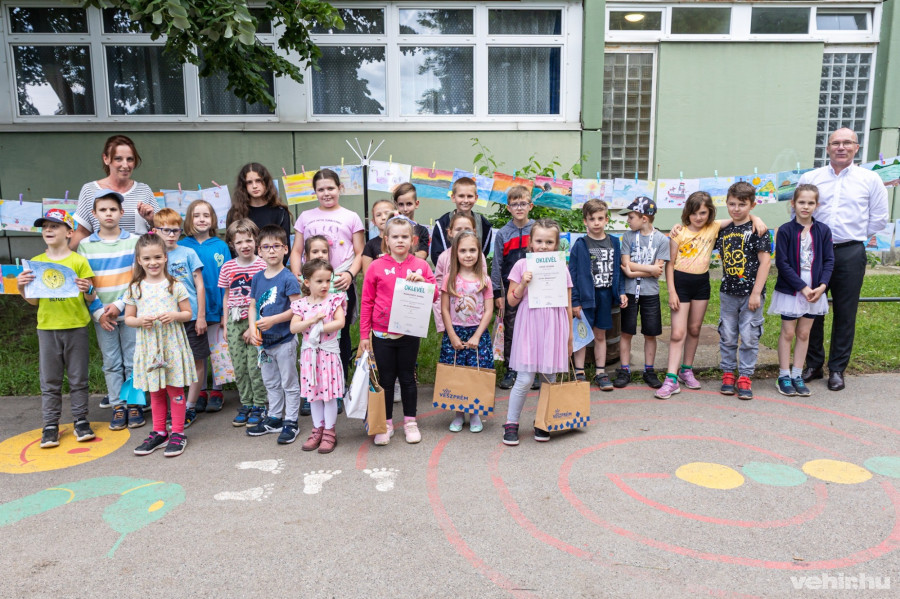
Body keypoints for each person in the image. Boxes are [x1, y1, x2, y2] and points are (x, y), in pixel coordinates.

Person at [798, 127, 889, 391]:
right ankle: (813, 364)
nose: (841, 147)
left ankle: (837, 369)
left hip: (850, 252)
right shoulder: (811, 177)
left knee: (845, 311)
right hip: (814, 251)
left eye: (847, 143)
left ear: (856, 148)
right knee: (812, 307)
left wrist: (853, 236)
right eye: (835, 143)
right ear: (827, 148)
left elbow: (879, 218)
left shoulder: (870, 179)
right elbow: (798, 211)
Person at [16, 209, 97, 449]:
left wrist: (87, 289)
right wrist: (21, 288)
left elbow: (91, 298)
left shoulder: (78, 261)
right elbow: (34, 301)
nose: (48, 230)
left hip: (76, 326)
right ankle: (50, 425)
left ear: (69, 232)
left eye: (54, 226)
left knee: (78, 378)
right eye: (45, 227)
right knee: (50, 380)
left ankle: (81, 420)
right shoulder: (36, 263)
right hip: (47, 328)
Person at [358, 216, 437, 446]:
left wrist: (423, 283)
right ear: (386, 240)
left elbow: (435, 294)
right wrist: (364, 335)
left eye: (404, 237)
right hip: (382, 333)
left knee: (408, 378)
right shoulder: (376, 266)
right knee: (386, 379)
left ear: (413, 240)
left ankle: (410, 422)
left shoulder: (421, 266)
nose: (400, 241)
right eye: (395, 237)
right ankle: (386, 423)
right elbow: (367, 301)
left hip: (409, 332)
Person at [123, 233, 197, 457]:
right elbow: (128, 318)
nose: (152, 262)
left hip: (171, 344)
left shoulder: (175, 285)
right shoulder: (135, 288)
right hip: (149, 346)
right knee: (155, 391)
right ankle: (159, 432)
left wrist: (175, 315)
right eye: (147, 258)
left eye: (157, 257)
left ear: (165, 257)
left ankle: (178, 433)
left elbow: (188, 313)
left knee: (175, 389)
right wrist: (139, 321)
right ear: (139, 260)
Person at [502, 219, 573, 446]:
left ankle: (542, 421)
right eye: (539, 241)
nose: (543, 246)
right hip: (529, 325)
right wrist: (523, 283)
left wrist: (569, 337)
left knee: (549, 377)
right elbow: (511, 301)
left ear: (556, 245)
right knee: (524, 378)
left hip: (554, 324)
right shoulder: (521, 265)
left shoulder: (561, 267)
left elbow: (568, 303)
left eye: (549, 242)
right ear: (530, 242)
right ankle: (511, 422)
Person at [290, 169, 365, 384]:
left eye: (331, 188)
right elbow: (296, 251)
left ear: (340, 188)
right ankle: (314, 381)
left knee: (340, 331)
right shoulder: (306, 217)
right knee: (311, 330)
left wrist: (350, 274)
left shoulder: (351, 217)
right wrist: (297, 276)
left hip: (340, 282)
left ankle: (340, 384)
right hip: (313, 285)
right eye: (321, 189)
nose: (326, 193)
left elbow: (360, 252)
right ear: (314, 192)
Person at [76, 189, 141, 429]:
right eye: (103, 210)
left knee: (133, 360)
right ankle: (118, 405)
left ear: (122, 212)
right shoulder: (85, 246)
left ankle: (134, 403)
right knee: (111, 361)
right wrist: (99, 313)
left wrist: (121, 304)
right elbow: (86, 283)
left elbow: (138, 278)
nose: (108, 214)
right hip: (102, 316)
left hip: (130, 312)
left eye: (113, 209)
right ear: (94, 214)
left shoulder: (134, 241)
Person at [769, 184, 834, 397]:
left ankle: (797, 374)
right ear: (793, 204)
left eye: (810, 203)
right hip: (792, 289)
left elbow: (829, 260)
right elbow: (782, 263)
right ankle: (784, 375)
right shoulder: (785, 230)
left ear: (817, 205)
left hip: (815, 289)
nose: (805, 206)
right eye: (801, 202)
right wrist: (802, 287)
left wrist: (822, 286)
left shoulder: (823, 230)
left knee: (804, 333)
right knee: (788, 332)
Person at [714, 182, 772, 400]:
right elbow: (701, 225)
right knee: (728, 335)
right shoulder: (723, 230)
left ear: (752, 205)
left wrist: (756, 293)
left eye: (742, 204)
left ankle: (745, 376)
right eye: (732, 204)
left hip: (751, 295)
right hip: (728, 293)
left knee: (749, 337)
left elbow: (765, 263)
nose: (736, 209)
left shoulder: (759, 230)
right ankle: (728, 373)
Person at [248, 225, 303, 444]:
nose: (271, 251)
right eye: (266, 247)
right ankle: (274, 417)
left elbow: (297, 309)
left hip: (284, 340)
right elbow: (252, 306)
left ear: (285, 249)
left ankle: (291, 421)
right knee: (270, 381)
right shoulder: (257, 278)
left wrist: (274, 320)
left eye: (276, 246)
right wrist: (253, 328)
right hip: (264, 343)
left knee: (289, 382)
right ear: (259, 251)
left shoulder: (288, 278)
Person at [153, 209, 207, 427]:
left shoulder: (188, 253)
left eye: (175, 230)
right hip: (165, 320)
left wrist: (201, 316)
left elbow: (200, 285)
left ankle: (190, 406)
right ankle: (173, 405)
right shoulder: (153, 255)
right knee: (168, 364)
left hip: (190, 317)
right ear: (156, 231)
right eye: (166, 230)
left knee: (196, 361)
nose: (171, 235)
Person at [439, 230, 494, 433]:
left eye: (472, 250)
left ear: (479, 252)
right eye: (463, 251)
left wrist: (477, 335)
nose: (468, 255)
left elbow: (488, 310)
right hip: (455, 333)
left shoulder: (485, 280)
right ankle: (458, 413)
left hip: (477, 334)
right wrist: (452, 335)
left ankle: (475, 413)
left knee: (476, 372)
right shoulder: (449, 278)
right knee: (457, 373)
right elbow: (445, 309)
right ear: (455, 253)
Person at [291, 259, 346, 453]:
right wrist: (313, 321)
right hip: (310, 356)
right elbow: (293, 327)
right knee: (313, 395)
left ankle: (329, 431)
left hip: (328, 354)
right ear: (307, 282)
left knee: (328, 395)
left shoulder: (333, 300)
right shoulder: (300, 305)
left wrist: (319, 327)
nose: (325, 285)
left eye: (328, 281)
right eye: (319, 281)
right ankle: (317, 429)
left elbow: (340, 322)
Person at [179, 199, 230, 412]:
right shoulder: (182, 246)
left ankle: (217, 390)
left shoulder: (221, 246)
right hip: (191, 309)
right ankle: (199, 390)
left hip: (216, 305)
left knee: (217, 348)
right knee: (197, 352)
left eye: (206, 215)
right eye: (196, 215)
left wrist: (224, 312)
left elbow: (227, 279)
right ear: (189, 219)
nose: (201, 219)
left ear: (213, 219)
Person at [569, 199, 625, 390]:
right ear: (585, 221)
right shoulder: (580, 245)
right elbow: (573, 275)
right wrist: (575, 301)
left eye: (600, 218)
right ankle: (579, 372)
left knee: (600, 335)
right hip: (585, 297)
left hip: (605, 297)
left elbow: (618, 270)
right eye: (592, 219)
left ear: (606, 219)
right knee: (582, 334)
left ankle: (601, 372)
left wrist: (621, 292)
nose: (596, 223)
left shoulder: (614, 242)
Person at [218, 219, 268, 427]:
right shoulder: (228, 267)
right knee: (239, 366)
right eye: (239, 242)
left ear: (256, 240)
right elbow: (227, 295)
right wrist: (225, 320)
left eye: (248, 240)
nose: (244, 245)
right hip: (234, 319)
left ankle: (260, 404)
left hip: (255, 319)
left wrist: (253, 326)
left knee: (254, 365)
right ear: (232, 244)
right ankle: (246, 402)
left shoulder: (263, 264)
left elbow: (266, 296)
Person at [615, 196, 669, 389]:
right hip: (629, 292)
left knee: (650, 333)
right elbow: (625, 264)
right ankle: (625, 369)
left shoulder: (661, 240)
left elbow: (658, 270)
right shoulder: (628, 237)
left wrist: (633, 272)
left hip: (650, 293)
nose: (628, 221)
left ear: (644, 218)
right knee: (626, 332)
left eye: (631, 217)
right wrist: (649, 269)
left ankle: (649, 370)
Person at [72, 135, 159, 249]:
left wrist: (152, 220)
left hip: (139, 257)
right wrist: (63, 254)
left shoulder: (144, 190)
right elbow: (82, 232)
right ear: (106, 159)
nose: (125, 165)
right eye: (118, 159)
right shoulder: (90, 190)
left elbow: (162, 229)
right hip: (103, 256)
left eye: (130, 159)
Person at [489, 186, 534, 390]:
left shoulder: (536, 229)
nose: (519, 208)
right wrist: (497, 293)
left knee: (532, 329)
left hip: (534, 289)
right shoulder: (503, 234)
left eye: (523, 203)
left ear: (530, 206)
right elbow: (497, 264)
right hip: (511, 290)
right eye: (515, 204)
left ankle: (533, 368)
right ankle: (511, 368)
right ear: (508, 208)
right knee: (511, 329)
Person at [432, 212, 483, 335]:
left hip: (475, 322)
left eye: (467, 229)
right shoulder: (443, 257)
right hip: (451, 322)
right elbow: (438, 291)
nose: (463, 233)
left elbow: (484, 288)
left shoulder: (478, 256)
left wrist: (481, 323)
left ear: (474, 231)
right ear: (450, 232)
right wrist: (441, 324)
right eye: (458, 229)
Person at [227, 162, 293, 248]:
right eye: (249, 182)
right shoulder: (235, 212)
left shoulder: (280, 212)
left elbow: (285, 247)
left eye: (258, 181)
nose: (254, 186)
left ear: (266, 182)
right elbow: (231, 248)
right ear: (243, 186)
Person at [430, 177, 493, 265]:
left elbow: (483, 254)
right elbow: (436, 255)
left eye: (470, 196)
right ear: (453, 197)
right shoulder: (442, 224)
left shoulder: (484, 225)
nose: (465, 200)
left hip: (473, 272)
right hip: (448, 271)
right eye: (461, 196)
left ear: (476, 198)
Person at [393, 183, 430, 259]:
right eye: (401, 204)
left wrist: (404, 251)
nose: (405, 209)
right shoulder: (391, 228)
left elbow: (423, 255)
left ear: (416, 204)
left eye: (409, 204)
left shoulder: (422, 230)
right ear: (396, 205)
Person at [361, 199, 398, 274]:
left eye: (387, 213)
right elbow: (367, 274)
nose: (383, 217)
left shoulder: (402, 241)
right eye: (378, 215)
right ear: (374, 221)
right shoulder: (370, 245)